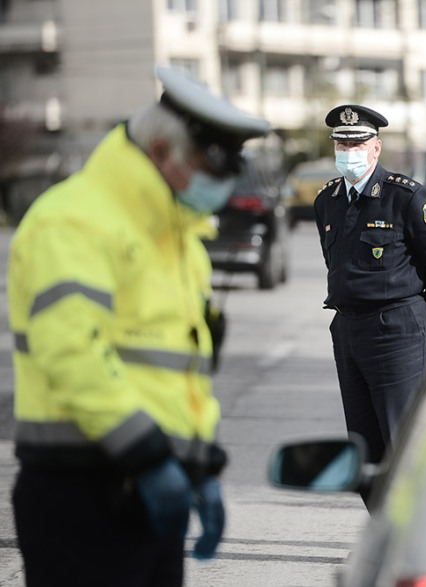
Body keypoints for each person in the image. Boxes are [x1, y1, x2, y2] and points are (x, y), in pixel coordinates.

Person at [7, 66, 271, 586]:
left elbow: (176, 373)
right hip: (82, 495)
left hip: (151, 491)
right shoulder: (77, 219)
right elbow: (72, 350)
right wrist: (149, 459)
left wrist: (201, 466)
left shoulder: (176, 240)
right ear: (158, 150)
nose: (216, 183)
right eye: (206, 166)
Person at [314, 105, 426, 504]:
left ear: (375, 148)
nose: (349, 150)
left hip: (396, 329)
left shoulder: (405, 197)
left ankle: (416, 540)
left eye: (357, 142)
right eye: (342, 143)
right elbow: (336, 263)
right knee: (364, 448)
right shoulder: (328, 200)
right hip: (347, 329)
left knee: (403, 442)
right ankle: (383, 535)